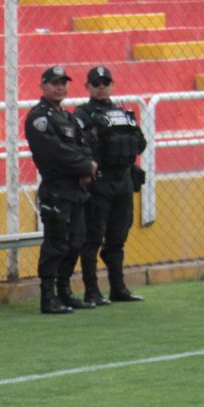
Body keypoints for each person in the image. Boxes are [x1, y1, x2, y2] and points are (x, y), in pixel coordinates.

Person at [25, 66, 97, 314]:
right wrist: (86, 166)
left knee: (75, 242)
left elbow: (83, 145)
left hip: (75, 188)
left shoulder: (67, 117)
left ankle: (64, 291)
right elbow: (54, 153)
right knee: (56, 243)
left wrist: (87, 167)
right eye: (54, 83)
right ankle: (48, 296)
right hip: (56, 188)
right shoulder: (39, 118)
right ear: (43, 86)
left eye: (63, 83)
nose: (60, 87)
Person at [73, 66, 149, 303]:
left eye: (106, 82)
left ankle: (118, 288)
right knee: (93, 237)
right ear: (88, 87)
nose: (102, 86)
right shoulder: (82, 114)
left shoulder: (122, 112)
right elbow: (80, 145)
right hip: (100, 181)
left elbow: (140, 143)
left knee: (118, 237)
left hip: (123, 180)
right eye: (97, 83)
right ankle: (92, 290)